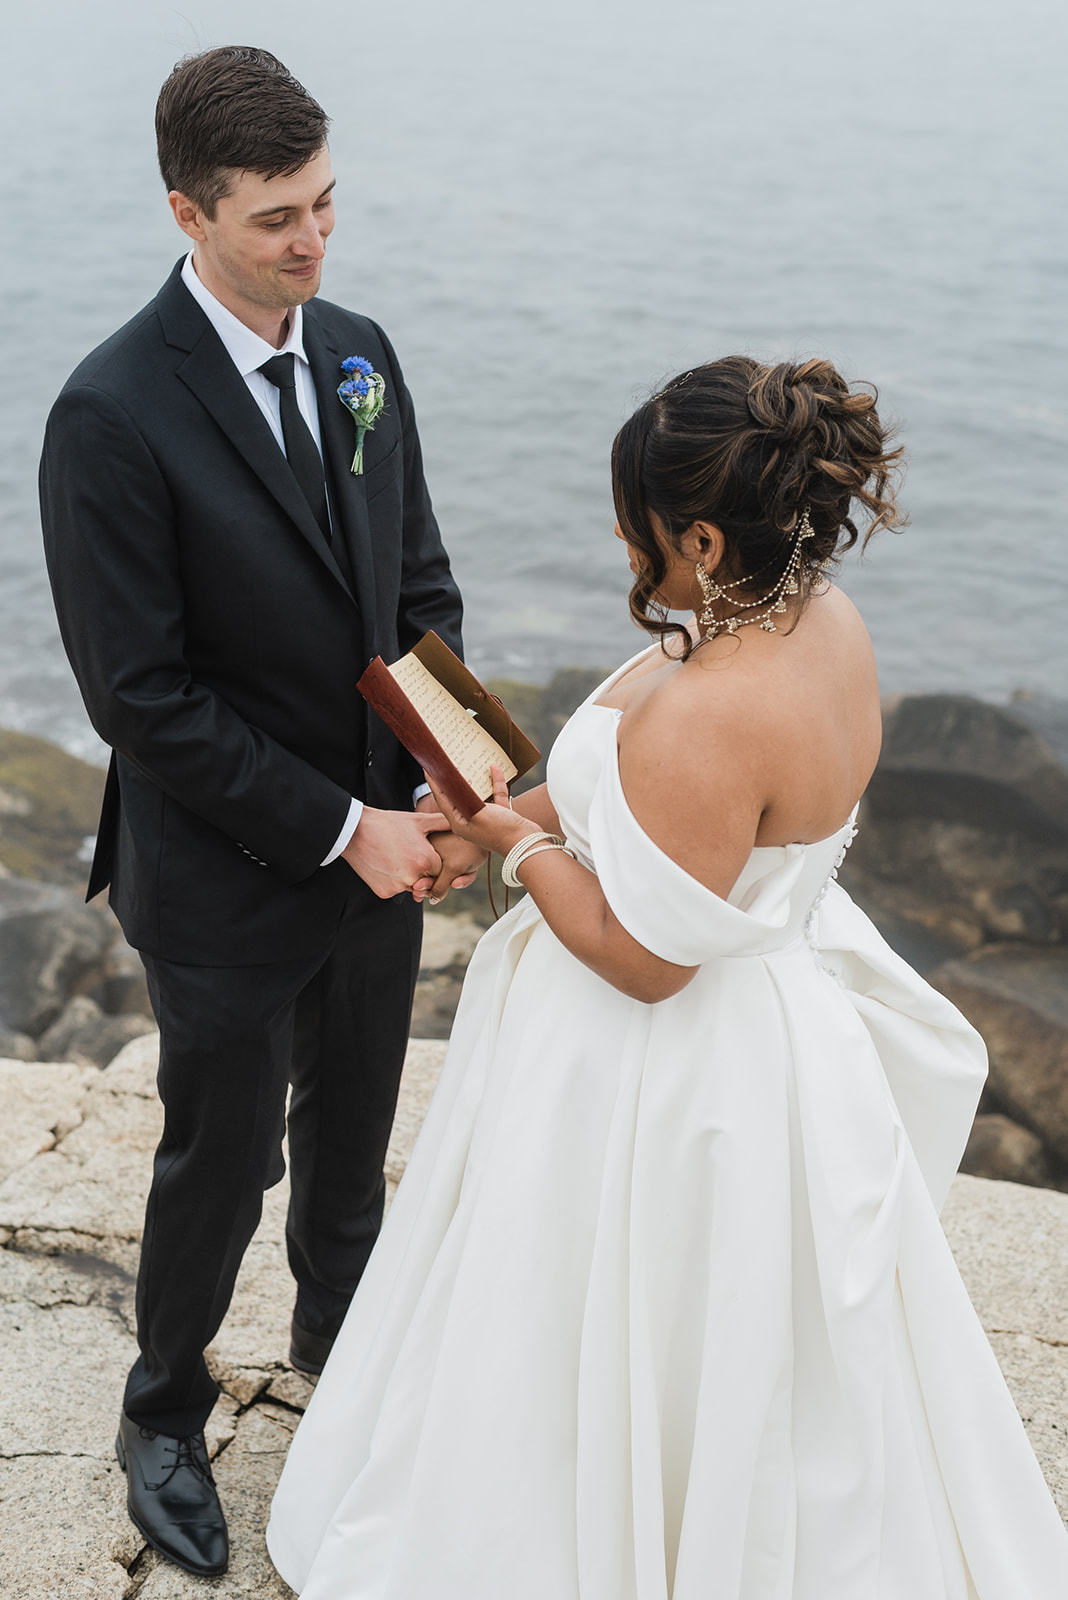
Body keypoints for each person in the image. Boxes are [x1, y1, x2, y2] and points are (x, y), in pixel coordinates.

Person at [267, 356, 1068, 1597]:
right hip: (788, 1039)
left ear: (701, 532)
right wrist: (490, 815)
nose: (630, 554)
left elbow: (647, 959)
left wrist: (518, 845)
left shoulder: (710, 713)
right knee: (766, 1351)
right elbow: (691, 844)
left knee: (606, 1323)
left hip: (670, 1081)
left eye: (643, 532)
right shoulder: (821, 621)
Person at [38, 46, 483, 1580]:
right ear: (189, 210)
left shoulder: (358, 353)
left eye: (328, 203)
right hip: (227, 871)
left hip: (383, 845)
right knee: (221, 1161)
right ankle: (161, 1409)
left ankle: (340, 1365)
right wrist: (335, 826)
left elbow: (417, 584)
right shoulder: (107, 413)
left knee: (353, 1145)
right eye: (279, 217)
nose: (316, 242)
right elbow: (140, 698)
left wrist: (446, 760)